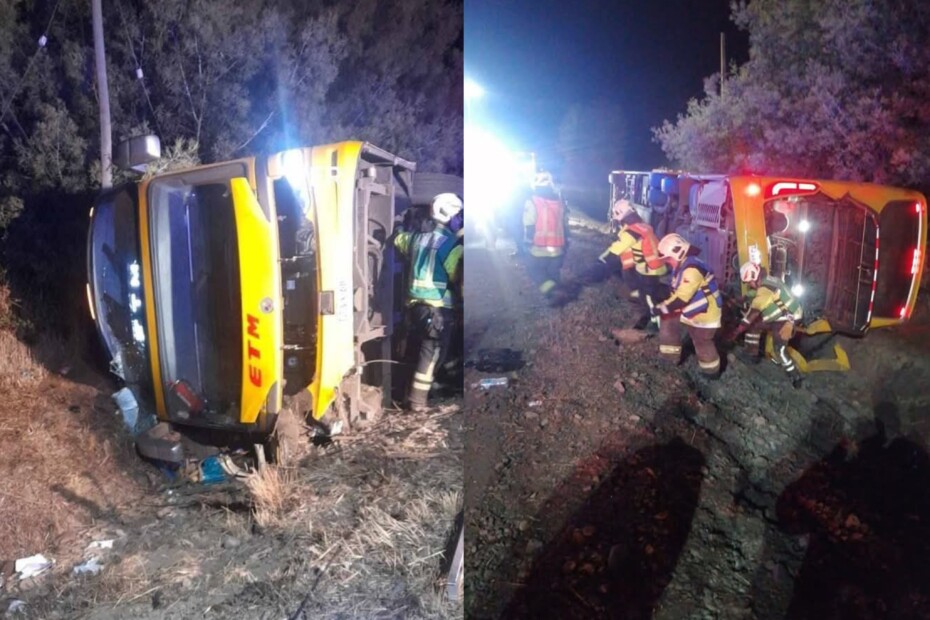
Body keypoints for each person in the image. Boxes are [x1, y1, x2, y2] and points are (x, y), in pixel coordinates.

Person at [393, 193, 463, 411]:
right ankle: (417, 404)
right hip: (438, 310)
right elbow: (457, 277)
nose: (459, 220)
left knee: (421, 352)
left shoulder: (415, 238)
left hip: (416, 308)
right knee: (431, 356)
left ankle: (410, 396)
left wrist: (398, 226)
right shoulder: (450, 244)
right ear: (451, 216)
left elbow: (398, 239)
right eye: (458, 216)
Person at [654, 233, 722, 377]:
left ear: (677, 254)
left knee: (702, 341)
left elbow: (681, 299)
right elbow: (677, 291)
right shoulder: (683, 265)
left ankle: (711, 371)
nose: (667, 262)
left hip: (705, 314)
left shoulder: (692, 270)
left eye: (668, 259)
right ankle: (669, 357)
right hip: (694, 308)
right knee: (669, 319)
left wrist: (661, 308)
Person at [729, 261, 804, 387]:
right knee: (754, 327)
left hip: (786, 319)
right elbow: (756, 292)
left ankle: (795, 376)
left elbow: (752, 314)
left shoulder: (764, 290)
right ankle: (751, 354)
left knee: (779, 350)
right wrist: (741, 299)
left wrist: (736, 332)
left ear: (754, 277)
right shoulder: (768, 281)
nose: (749, 285)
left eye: (749, 282)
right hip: (780, 316)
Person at [598, 198, 668, 331]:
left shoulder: (632, 230)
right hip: (650, 266)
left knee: (649, 297)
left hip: (649, 268)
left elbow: (619, 247)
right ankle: (648, 314)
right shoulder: (639, 225)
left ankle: (656, 324)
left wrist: (603, 259)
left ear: (620, 214)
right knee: (644, 293)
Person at [523, 171, 568, 298]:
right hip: (558, 248)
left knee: (534, 270)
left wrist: (527, 241)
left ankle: (552, 292)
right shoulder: (559, 202)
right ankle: (558, 293)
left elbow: (529, 224)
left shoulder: (532, 201)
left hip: (539, 247)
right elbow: (564, 223)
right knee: (553, 272)